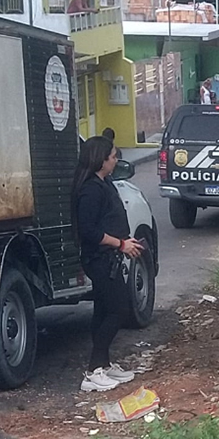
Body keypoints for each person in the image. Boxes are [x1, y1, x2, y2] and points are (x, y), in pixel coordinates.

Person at [72, 136, 139, 392]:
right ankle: (93, 370)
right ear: (101, 160)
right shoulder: (90, 190)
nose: (116, 160)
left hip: (110, 256)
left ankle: (104, 362)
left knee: (103, 309)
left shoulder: (105, 183)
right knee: (119, 309)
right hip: (99, 259)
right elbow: (89, 231)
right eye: (113, 156)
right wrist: (120, 244)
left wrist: (125, 240)